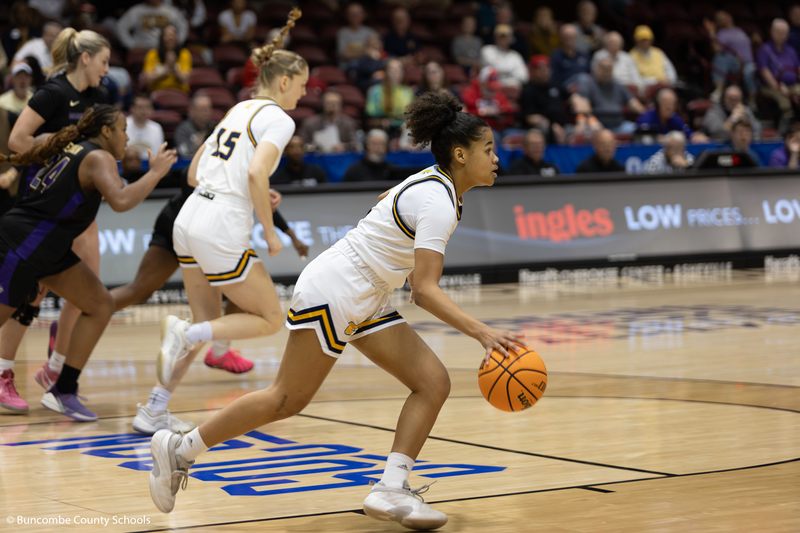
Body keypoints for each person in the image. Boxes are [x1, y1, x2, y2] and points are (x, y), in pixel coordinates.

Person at [148, 89, 523, 532]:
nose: (496, 157)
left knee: (432, 382)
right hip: (339, 287)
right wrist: (481, 331)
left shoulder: (436, 186)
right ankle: (181, 447)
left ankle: (390, 487)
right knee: (286, 399)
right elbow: (423, 290)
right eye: (488, 149)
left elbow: (389, 214)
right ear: (460, 154)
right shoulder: (438, 198)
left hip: (363, 290)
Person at [151, 9, 307, 429]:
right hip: (220, 225)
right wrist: (271, 234)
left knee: (207, 323)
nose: (303, 95)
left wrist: (245, 186)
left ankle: (154, 409)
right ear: (285, 81)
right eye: (304, 85)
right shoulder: (280, 118)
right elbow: (257, 172)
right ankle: (185, 336)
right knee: (271, 319)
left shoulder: (240, 107)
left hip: (190, 216)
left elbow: (192, 172)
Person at [0, 105, 177, 420]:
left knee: (100, 304)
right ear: (106, 131)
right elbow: (121, 201)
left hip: (46, 247)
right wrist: (155, 173)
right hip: (23, 243)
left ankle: (63, 390)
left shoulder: (75, 149)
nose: (127, 137)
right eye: (123, 129)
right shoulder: (99, 157)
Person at [8, 28, 111, 402]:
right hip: (44, 204)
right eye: (104, 61)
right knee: (29, 295)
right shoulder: (53, 93)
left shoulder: (99, 97)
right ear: (85, 58)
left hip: (80, 205)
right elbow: (17, 141)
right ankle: (5, 371)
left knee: (88, 290)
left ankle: (56, 366)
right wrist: (64, 146)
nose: (107, 69)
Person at [572, 56, 644, 134]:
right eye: (604, 68)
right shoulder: (587, 84)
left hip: (620, 125)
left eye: (609, 69)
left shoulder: (618, 85)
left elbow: (634, 103)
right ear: (596, 69)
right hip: (596, 124)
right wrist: (592, 121)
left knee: (643, 130)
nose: (607, 72)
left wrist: (646, 114)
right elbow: (583, 108)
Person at [703, 11, 755, 104]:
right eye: (721, 19)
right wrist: (711, 32)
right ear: (719, 23)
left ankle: (752, 101)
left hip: (749, 62)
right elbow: (717, 49)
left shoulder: (739, 30)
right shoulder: (722, 33)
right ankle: (719, 90)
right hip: (734, 62)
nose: (725, 19)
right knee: (719, 58)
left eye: (725, 16)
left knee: (750, 72)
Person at [757, 19, 800, 131]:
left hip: (793, 85)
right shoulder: (764, 49)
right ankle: (785, 130)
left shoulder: (791, 50)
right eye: (779, 32)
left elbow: (798, 69)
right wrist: (778, 86)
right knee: (784, 98)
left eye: (784, 32)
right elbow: (765, 71)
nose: (782, 35)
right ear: (772, 32)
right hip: (770, 87)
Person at [520, 55, 567, 144]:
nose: (544, 71)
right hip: (541, 127)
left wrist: (581, 119)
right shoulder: (528, 90)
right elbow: (529, 117)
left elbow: (574, 98)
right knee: (543, 130)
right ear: (533, 71)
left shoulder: (556, 86)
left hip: (562, 126)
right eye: (540, 69)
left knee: (578, 130)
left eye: (546, 68)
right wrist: (552, 125)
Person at [636, 88, 709, 143]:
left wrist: (697, 137)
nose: (669, 107)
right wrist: (669, 138)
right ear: (657, 104)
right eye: (665, 102)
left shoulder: (674, 118)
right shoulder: (646, 117)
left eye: (672, 103)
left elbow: (689, 134)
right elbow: (642, 138)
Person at [365, 58, 414, 134]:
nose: (395, 72)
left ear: (403, 72)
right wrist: (381, 122)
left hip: (403, 129)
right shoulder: (375, 91)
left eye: (398, 69)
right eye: (392, 69)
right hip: (381, 128)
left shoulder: (408, 92)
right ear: (386, 72)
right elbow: (369, 115)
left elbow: (410, 115)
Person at [116, 0, 189, 50]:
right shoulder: (136, 10)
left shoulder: (171, 11)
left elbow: (183, 26)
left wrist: (177, 43)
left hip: (164, 50)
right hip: (143, 50)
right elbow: (120, 27)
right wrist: (132, 45)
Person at [461, 66, 515, 133]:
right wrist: (482, 112)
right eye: (489, 88)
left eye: (494, 88)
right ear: (481, 83)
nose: (492, 91)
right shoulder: (469, 93)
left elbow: (508, 109)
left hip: (499, 128)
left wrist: (500, 113)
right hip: (478, 130)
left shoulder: (498, 94)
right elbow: (465, 115)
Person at [142, 24, 192, 94]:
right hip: (156, 92)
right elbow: (149, 80)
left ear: (177, 38)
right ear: (162, 38)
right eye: (167, 35)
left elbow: (184, 80)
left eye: (173, 35)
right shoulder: (152, 54)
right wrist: (166, 69)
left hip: (179, 93)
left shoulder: (184, 53)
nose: (170, 38)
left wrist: (173, 67)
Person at [591, 32, 644, 96]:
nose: (615, 44)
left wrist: (639, 87)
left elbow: (636, 77)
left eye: (618, 42)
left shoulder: (627, 57)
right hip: (609, 90)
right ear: (606, 43)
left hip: (629, 89)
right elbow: (596, 77)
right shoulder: (599, 56)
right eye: (612, 42)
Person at [480, 24, 529, 88]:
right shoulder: (487, 50)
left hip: (511, 90)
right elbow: (497, 69)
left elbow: (524, 77)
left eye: (506, 37)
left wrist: (502, 76)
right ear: (495, 38)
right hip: (491, 88)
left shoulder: (516, 55)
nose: (504, 39)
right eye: (501, 36)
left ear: (511, 39)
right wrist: (512, 70)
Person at [550, 23, 591, 90]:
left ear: (576, 38)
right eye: (566, 37)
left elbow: (589, 74)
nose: (569, 39)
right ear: (561, 38)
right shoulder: (556, 56)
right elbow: (554, 78)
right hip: (566, 88)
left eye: (571, 37)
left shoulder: (584, 55)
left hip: (584, 86)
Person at [175, 94, 215, 158]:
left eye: (209, 108)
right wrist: (196, 144)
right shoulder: (183, 129)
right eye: (202, 109)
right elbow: (184, 153)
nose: (206, 112)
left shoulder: (216, 128)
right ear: (191, 110)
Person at [126, 93, 165, 160]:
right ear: (132, 108)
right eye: (140, 107)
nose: (144, 110)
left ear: (152, 109)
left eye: (147, 107)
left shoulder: (157, 128)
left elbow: (159, 156)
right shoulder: (123, 124)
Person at [337, 2, 377, 68]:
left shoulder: (370, 32)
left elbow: (375, 52)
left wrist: (352, 52)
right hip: (348, 67)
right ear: (347, 15)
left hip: (366, 66)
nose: (355, 15)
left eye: (358, 13)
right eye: (352, 13)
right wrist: (365, 51)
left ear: (364, 15)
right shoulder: (342, 33)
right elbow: (345, 55)